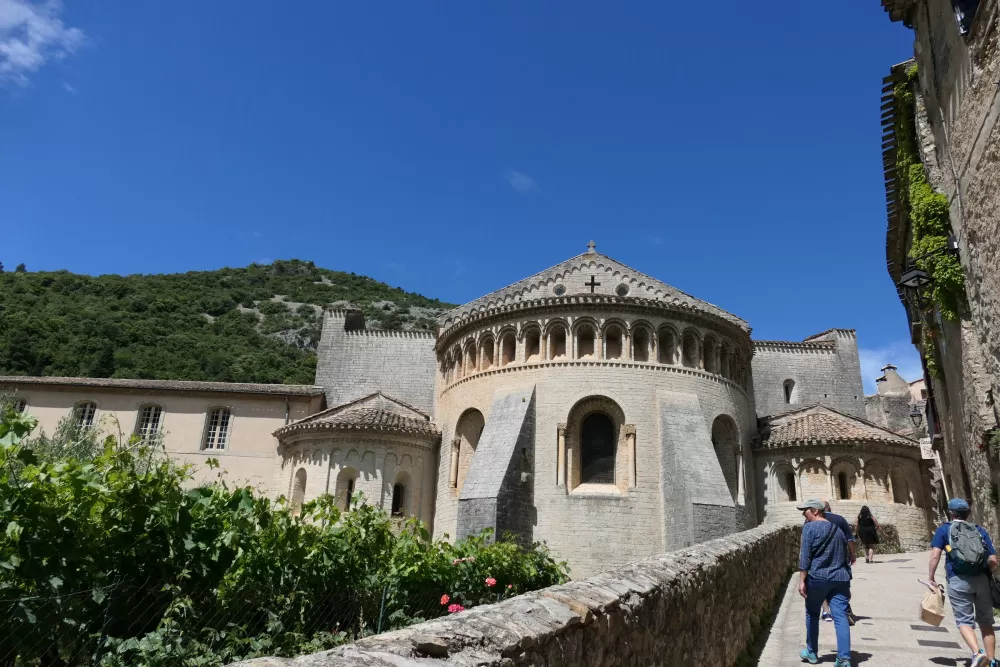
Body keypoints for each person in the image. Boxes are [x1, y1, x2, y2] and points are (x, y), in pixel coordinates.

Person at [928, 498, 999, 667]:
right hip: (982, 580)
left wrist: (931, 577)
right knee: (986, 622)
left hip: (957, 579)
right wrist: (988, 571)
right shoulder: (979, 530)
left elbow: (935, 555)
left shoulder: (944, 530)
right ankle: (992, 660)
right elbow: (994, 560)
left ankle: (977, 653)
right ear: (968, 514)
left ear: (950, 513)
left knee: (964, 621)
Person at [797, 498, 852, 667]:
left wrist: (801, 580)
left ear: (815, 511)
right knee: (841, 616)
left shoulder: (809, 528)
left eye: (805, 510)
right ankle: (843, 659)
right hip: (840, 578)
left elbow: (805, 557)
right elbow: (845, 556)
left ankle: (812, 652)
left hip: (818, 578)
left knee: (812, 614)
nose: (803, 514)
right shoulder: (838, 530)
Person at [821, 501, 858, 625]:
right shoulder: (840, 519)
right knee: (843, 584)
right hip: (840, 558)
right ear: (829, 508)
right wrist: (853, 555)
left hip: (821, 559)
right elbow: (849, 539)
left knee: (822, 586)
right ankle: (843, 608)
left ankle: (826, 611)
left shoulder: (812, 520)